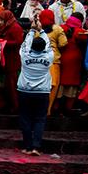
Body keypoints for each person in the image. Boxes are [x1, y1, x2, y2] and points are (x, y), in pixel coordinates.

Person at [17, 27, 54, 155]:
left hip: (25, 91)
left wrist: (32, 30)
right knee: (40, 119)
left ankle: (27, 146)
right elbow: (48, 43)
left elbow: (25, 43)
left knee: (25, 118)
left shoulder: (25, 55)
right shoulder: (49, 56)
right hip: (42, 92)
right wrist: (42, 30)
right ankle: (36, 147)